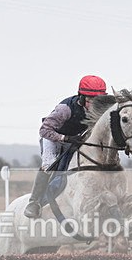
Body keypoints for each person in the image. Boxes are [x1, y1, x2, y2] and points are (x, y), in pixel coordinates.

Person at [24, 75, 108, 219]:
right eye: (90, 101)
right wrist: (65, 138)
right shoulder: (65, 109)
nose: (95, 106)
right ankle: (34, 202)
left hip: (76, 138)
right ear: (81, 98)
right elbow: (44, 130)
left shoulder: (100, 108)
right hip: (53, 137)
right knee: (49, 164)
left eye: (98, 102)